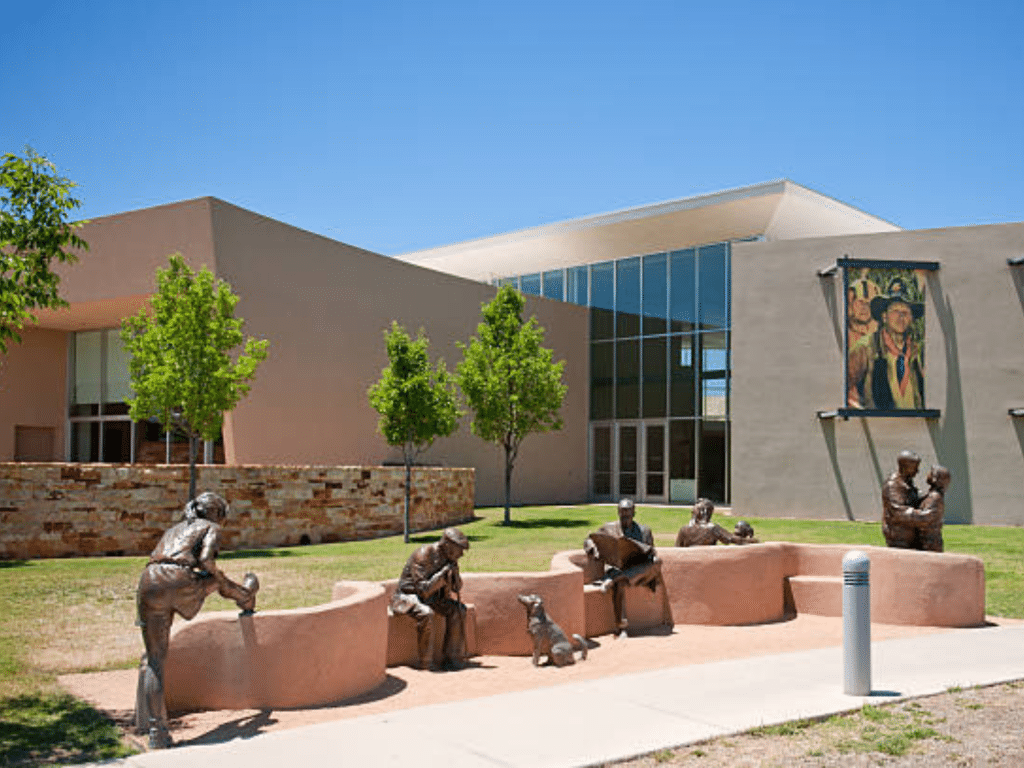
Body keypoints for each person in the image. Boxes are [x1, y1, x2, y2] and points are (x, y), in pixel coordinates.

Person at [135, 492, 258, 749]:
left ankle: (157, 733)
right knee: (215, 580)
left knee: (155, 660)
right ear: (216, 513)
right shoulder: (211, 527)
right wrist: (220, 577)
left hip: (148, 581)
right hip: (177, 579)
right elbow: (205, 560)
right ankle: (245, 597)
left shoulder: (174, 529)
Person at [584, 498, 667, 638]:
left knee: (656, 562)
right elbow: (589, 539)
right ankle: (622, 627)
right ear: (618, 512)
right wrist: (593, 548)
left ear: (634, 513)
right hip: (617, 567)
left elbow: (651, 553)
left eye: (628, 513)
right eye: (622, 513)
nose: (625, 516)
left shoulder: (644, 531)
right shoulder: (609, 528)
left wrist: (648, 553)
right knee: (620, 582)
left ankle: (615, 579)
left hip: (637, 569)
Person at [391, 527, 470, 671]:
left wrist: (455, 574)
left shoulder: (449, 557)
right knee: (426, 613)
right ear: (447, 545)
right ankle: (426, 663)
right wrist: (443, 574)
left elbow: (456, 588)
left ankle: (452, 658)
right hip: (408, 596)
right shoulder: (423, 555)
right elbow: (423, 591)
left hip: (433, 597)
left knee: (459, 610)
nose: (462, 554)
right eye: (459, 549)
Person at [847, 283, 925, 410]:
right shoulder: (866, 347)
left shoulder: (917, 352)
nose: (901, 317)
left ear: (911, 319)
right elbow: (841, 385)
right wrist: (860, 413)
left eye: (905, 312)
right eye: (895, 311)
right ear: (884, 317)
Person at [881, 450, 923, 549]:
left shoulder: (908, 482)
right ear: (904, 466)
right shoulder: (893, 485)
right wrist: (924, 515)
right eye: (914, 468)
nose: (917, 471)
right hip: (899, 535)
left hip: (910, 533)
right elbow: (898, 510)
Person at [674, 498, 759, 546]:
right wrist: (754, 541)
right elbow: (733, 539)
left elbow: (676, 549)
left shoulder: (684, 530)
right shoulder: (712, 529)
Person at [916, 465, 950, 552]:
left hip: (930, 541)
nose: (928, 474)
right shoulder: (931, 494)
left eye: (931, 473)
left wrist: (909, 513)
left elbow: (927, 516)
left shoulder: (935, 497)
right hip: (926, 539)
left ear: (936, 478)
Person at [847, 277, 880, 347]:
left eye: (869, 303)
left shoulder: (881, 333)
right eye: (860, 302)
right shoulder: (846, 333)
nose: (865, 307)